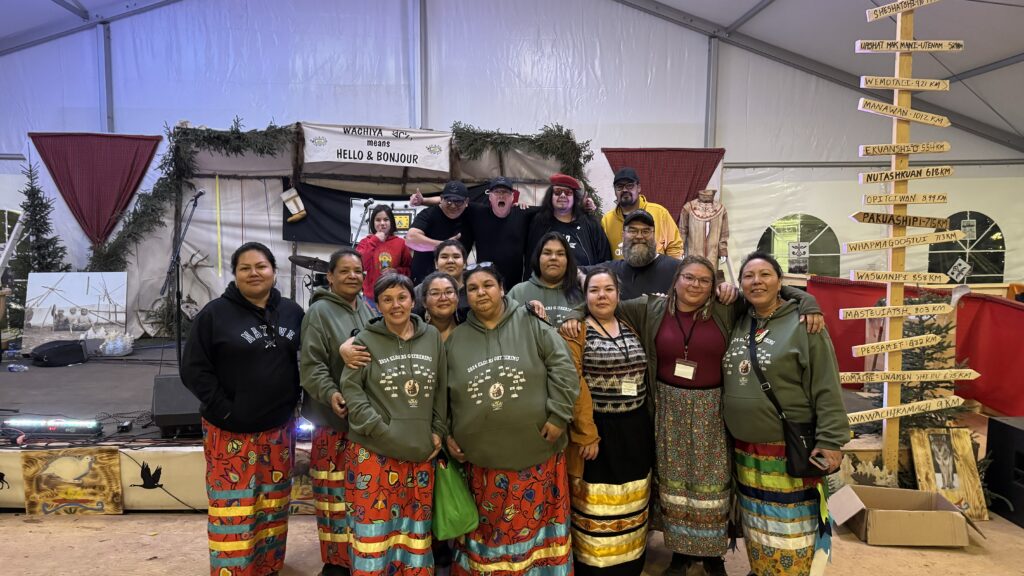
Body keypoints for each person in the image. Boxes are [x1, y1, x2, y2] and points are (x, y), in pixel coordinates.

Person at [561, 256, 823, 576]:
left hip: (711, 408)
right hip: (668, 407)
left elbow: (766, 294)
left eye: (704, 280)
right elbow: (602, 304)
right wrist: (575, 313)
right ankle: (681, 554)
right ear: (676, 280)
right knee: (673, 484)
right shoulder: (651, 309)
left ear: (714, 286)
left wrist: (807, 300)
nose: (695, 285)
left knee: (712, 483)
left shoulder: (727, 308)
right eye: (688, 278)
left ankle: (712, 555)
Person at [445, 265, 579, 575]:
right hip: (483, 465)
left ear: (502, 288)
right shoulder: (455, 341)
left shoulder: (533, 324)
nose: (481, 292)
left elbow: (565, 372)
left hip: (537, 454)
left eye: (488, 285)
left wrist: (559, 416)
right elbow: (443, 399)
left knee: (537, 538)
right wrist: (449, 433)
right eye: (473, 288)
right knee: (489, 537)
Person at [181, 242, 304, 576]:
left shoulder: (292, 312)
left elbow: (305, 361)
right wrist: (226, 411)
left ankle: (268, 565)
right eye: (245, 268)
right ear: (234, 274)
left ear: (273, 271)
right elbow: (193, 370)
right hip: (230, 431)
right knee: (233, 508)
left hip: (278, 432)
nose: (254, 273)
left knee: (273, 503)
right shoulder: (214, 315)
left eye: (261, 266)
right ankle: (233, 570)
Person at [723, 251, 848, 576]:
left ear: (780, 282)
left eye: (765, 274)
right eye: (749, 276)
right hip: (747, 453)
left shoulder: (805, 324)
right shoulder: (741, 320)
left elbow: (826, 385)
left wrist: (832, 439)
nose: (756, 281)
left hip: (789, 446)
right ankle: (763, 569)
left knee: (791, 527)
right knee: (757, 523)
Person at [340, 274, 447, 576]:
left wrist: (438, 430)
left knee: (414, 530)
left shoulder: (432, 339)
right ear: (378, 305)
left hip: (419, 452)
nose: (396, 305)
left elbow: (441, 389)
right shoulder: (364, 341)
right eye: (387, 299)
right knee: (374, 531)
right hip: (374, 451)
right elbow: (352, 389)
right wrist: (377, 428)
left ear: (413, 301)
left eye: (401, 297)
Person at [562, 267, 652, 576]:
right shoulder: (577, 330)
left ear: (618, 293)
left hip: (636, 429)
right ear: (584, 297)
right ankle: (597, 567)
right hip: (599, 431)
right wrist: (586, 434)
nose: (602, 296)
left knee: (633, 497)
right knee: (597, 503)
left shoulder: (631, 324)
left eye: (608, 289)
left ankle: (631, 563)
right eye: (594, 290)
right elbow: (573, 382)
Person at [299, 248, 376, 576]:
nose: (352, 276)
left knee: (360, 494)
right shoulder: (319, 312)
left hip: (364, 422)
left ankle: (359, 555)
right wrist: (330, 393)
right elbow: (311, 364)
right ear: (329, 277)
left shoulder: (370, 307)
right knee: (333, 492)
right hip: (333, 421)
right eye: (343, 271)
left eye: (357, 271)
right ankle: (335, 562)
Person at [590, 209, 681, 300]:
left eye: (646, 231)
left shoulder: (676, 269)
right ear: (623, 235)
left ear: (654, 235)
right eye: (633, 231)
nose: (639, 236)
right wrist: (583, 278)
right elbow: (577, 271)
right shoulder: (611, 270)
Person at [526, 173, 612, 266]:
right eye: (558, 192)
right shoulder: (539, 222)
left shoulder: (591, 225)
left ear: (574, 198)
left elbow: (605, 261)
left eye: (568, 192)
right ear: (550, 196)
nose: (562, 195)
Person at [601, 167, 682, 260]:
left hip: (655, 273)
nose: (624, 190)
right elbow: (604, 255)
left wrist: (670, 270)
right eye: (619, 186)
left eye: (629, 186)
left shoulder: (660, 213)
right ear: (615, 191)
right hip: (622, 273)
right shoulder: (607, 220)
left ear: (638, 187)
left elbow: (675, 247)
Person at [508, 232, 583, 326]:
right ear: (538, 257)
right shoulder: (518, 292)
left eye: (560, 254)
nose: (553, 258)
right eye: (547, 253)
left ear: (568, 260)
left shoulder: (581, 294)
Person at [406, 181, 475, 283]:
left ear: (466, 202)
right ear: (442, 199)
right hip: (424, 280)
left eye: (458, 201)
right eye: (449, 201)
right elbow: (410, 239)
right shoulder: (429, 214)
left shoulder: (472, 214)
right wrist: (443, 245)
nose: (453, 206)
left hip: (456, 281)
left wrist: (424, 200)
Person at [357, 205, 412, 305]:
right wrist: (374, 240)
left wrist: (397, 271)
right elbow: (362, 266)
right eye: (378, 220)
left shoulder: (401, 243)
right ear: (373, 223)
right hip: (371, 298)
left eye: (386, 219)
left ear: (391, 222)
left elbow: (409, 270)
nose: (382, 223)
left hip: (394, 297)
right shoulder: (365, 242)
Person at [679, 189, 729, 276]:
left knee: (710, 276)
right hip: (693, 254)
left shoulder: (720, 209)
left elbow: (724, 234)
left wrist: (723, 251)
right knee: (693, 274)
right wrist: (680, 250)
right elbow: (682, 231)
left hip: (712, 255)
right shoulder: (689, 207)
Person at [418, 271, 463, 341]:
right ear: (424, 302)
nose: (443, 298)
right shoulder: (415, 335)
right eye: (435, 293)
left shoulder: (471, 331)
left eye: (449, 292)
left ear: (457, 298)